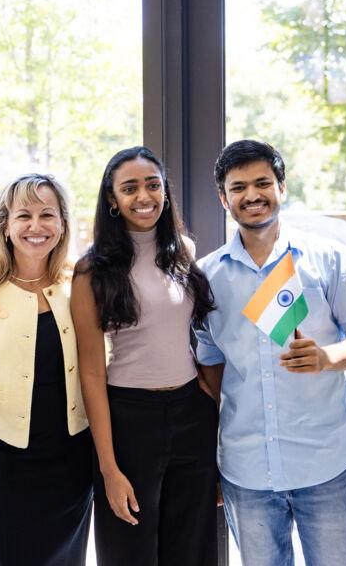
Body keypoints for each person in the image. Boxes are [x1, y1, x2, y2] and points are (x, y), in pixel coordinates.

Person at [195, 139, 346, 565]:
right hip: (246, 470)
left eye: (263, 182)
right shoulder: (206, 276)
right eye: (238, 187)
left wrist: (328, 358)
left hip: (325, 463)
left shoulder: (327, 260)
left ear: (282, 187)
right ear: (223, 198)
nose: (252, 195)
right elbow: (209, 362)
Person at [71, 146, 218, 565]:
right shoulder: (91, 270)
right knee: (128, 552)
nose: (144, 196)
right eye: (129, 188)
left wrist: (209, 400)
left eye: (153, 185)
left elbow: (197, 336)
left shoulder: (183, 251)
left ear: (165, 192)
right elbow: (92, 374)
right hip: (128, 418)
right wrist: (109, 468)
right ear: (112, 199)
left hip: (192, 413)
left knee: (192, 550)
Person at [0, 173, 93, 566]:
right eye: (23, 216)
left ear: (62, 223)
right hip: (8, 460)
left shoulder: (79, 281)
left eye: (47, 214)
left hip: (73, 456)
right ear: (5, 226)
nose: (35, 226)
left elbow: (103, 355)